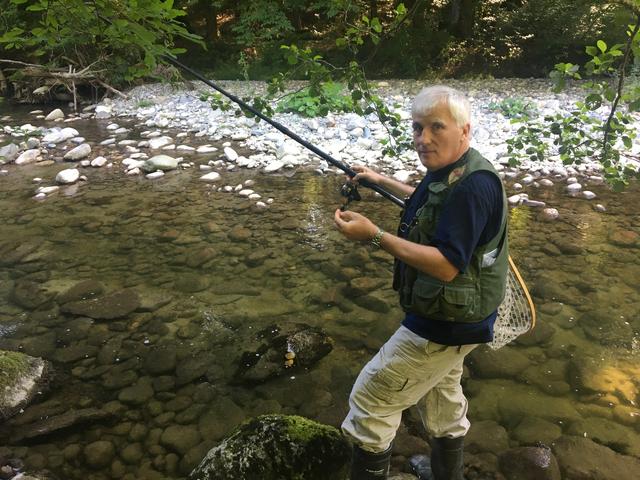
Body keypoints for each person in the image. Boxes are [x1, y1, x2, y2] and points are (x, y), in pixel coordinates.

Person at [333, 85, 509, 480]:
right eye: (416, 128)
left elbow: (447, 267)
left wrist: (374, 235)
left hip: (444, 325)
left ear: (465, 130)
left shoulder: (473, 188)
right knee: (442, 396)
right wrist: (380, 180)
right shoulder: (455, 170)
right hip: (461, 321)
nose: (423, 139)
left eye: (436, 127)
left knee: (372, 400)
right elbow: (431, 203)